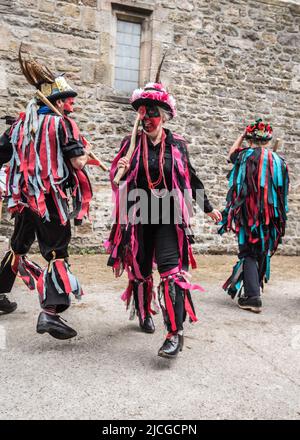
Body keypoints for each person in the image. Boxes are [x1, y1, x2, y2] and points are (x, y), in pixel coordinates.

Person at [106, 80, 221, 358]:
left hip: (169, 213)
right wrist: (119, 169)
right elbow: (116, 181)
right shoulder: (130, 144)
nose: (147, 120)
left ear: (164, 116)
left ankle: (174, 333)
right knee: (142, 270)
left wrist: (207, 207)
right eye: (143, 115)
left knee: (171, 272)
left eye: (152, 114)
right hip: (139, 214)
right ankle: (145, 313)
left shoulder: (178, 144)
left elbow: (191, 178)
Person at [0, 48, 93, 339]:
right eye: (69, 102)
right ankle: (51, 314)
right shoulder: (62, 125)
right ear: (56, 101)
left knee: (18, 245)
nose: (72, 108)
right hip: (50, 199)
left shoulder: (18, 126)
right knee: (56, 251)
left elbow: (1, 155)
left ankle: (0, 293)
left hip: (25, 198)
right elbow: (77, 162)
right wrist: (86, 153)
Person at [218, 118, 289, 313]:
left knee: (248, 252)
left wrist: (241, 137)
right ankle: (253, 289)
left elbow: (230, 154)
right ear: (267, 140)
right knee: (260, 251)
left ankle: (252, 297)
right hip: (271, 217)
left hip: (247, 214)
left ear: (250, 139)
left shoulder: (243, 156)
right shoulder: (279, 161)